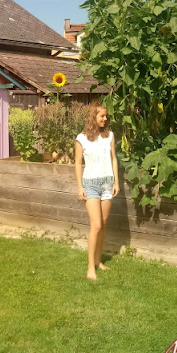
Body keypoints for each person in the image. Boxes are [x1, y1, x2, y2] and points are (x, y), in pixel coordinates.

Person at [75, 102, 120, 280]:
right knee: (96, 225)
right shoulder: (82, 138)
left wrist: (116, 181)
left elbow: (114, 159)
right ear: (93, 117)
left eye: (106, 116)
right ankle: (90, 268)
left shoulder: (109, 136)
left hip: (107, 183)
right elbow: (78, 163)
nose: (105, 118)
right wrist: (80, 186)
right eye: (102, 116)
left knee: (104, 223)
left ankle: (98, 261)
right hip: (90, 185)